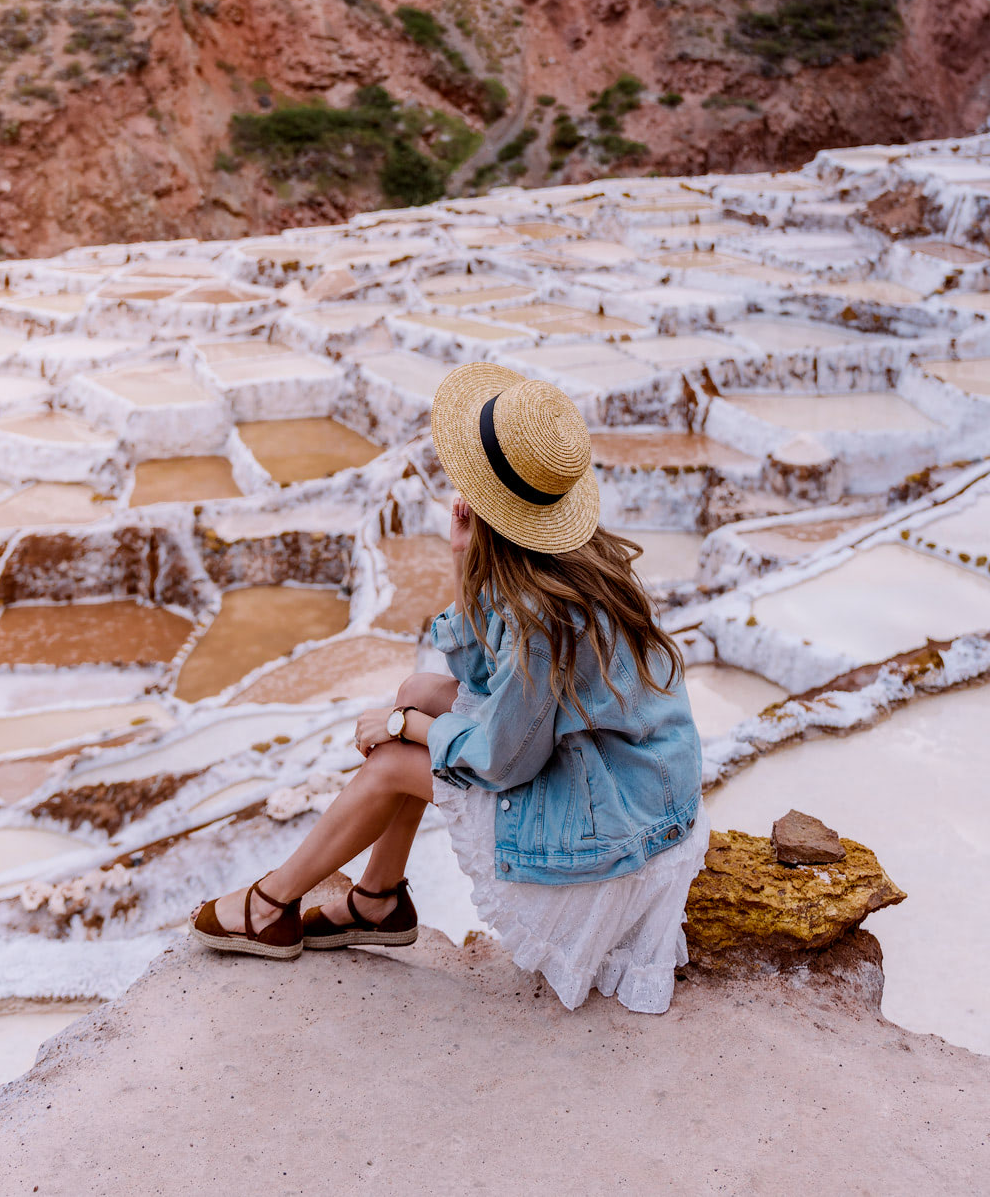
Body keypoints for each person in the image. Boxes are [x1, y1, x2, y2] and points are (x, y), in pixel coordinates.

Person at [190, 363, 708, 1012]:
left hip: (612, 834)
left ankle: (270, 905)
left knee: (396, 762)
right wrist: (465, 565)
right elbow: (479, 679)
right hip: (637, 795)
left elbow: (499, 757)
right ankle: (377, 900)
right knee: (418, 687)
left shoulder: (544, 620)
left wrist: (405, 729)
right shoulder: (577, 561)